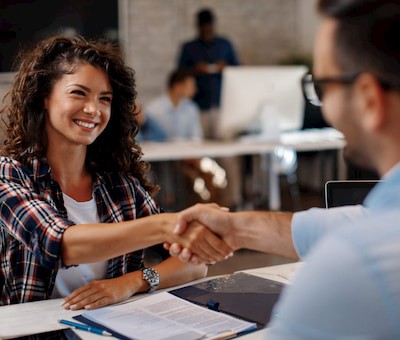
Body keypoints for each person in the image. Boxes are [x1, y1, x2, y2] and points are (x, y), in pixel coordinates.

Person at [168, 0, 400, 337]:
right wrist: (235, 228)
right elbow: (345, 223)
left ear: (368, 98)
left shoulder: (352, 269)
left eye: (322, 88)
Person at [0, 35, 233, 308]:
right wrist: (167, 226)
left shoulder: (120, 185)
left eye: (105, 99)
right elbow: (62, 244)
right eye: (79, 93)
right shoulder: (9, 175)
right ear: (43, 98)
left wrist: (132, 282)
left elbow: (194, 264)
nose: (93, 109)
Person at [177, 8, 239, 138]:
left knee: (226, 151)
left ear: (213, 25)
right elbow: (179, 74)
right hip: (198, 106)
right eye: (203, 27)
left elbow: (238, 70)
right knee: (199, 146)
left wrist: (226, 67)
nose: (206, 30)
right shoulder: (189, 47)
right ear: (198, 27)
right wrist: (196, 69)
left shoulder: (225, 44)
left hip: (222, 104)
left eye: (208, 27)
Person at [142, 68, 203, 141]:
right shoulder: (153, 109)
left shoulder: (191, 108)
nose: (194, 90)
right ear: (177, 86)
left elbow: (196, 138)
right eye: (191, 86)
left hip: (186, 151)